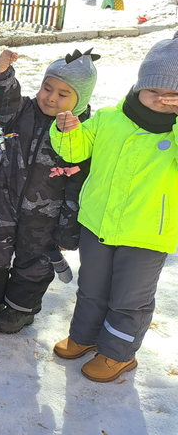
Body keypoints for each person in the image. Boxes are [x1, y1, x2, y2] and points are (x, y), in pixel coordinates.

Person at [50, 33, 178, 383]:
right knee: (91, 287)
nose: (162, 99)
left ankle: (118, 354)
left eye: (174, 94)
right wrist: (66, 131)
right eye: (154, 90)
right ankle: (85, 336)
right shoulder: (109, 119)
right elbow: (75, 150)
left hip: (146, 234)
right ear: (140, 85)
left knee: (129, 300)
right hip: (98, 223)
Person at [0, 48, 98, 333]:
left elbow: (77, 185)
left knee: (35, 264)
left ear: (80, 100)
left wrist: (67, 230)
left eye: (63, 94)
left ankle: (20, 309)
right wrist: (2, 72)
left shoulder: (83, 135)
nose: (51, 97)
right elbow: (3, 100)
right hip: (2, 202)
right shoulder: (22, 111)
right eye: (47, 88)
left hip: (45, 217)